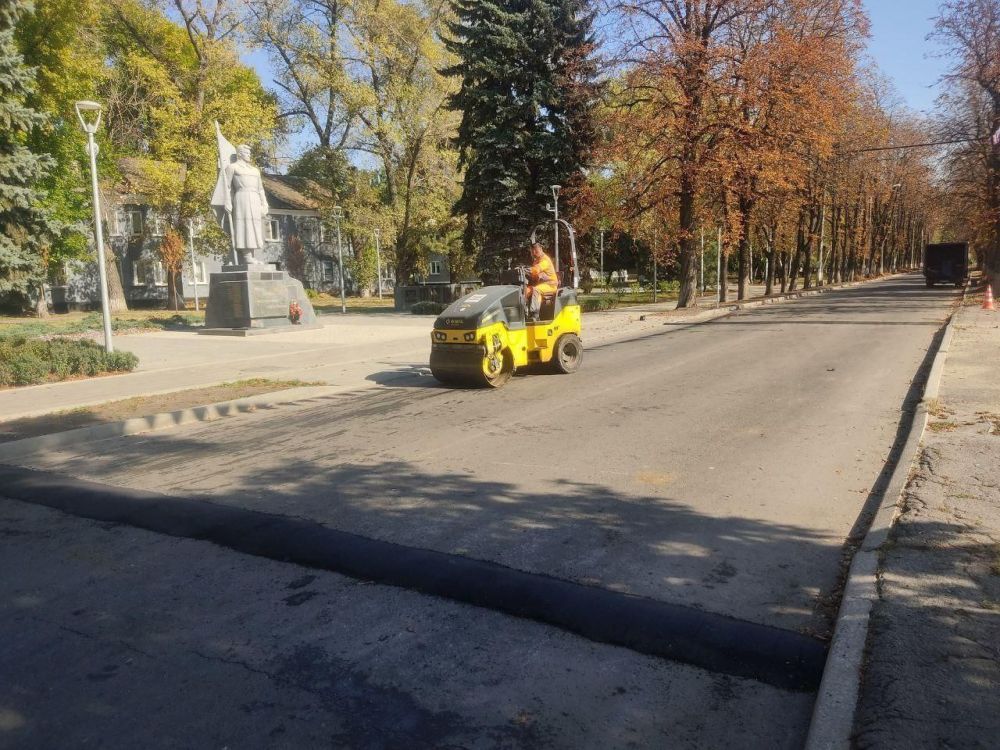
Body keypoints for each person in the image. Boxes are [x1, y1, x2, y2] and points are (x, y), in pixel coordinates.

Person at [526, 242, 558, 320]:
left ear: (541, 249)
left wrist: (525, 270)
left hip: (550, 285)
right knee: (526, 290)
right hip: (542, 284)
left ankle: (535, 315)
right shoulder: (536, 261)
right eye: (533, 251)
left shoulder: (545, 260)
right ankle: (524, 313)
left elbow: (536, 269)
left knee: (536, 290)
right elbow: (534, 275)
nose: (534, 253)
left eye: (536, 251)